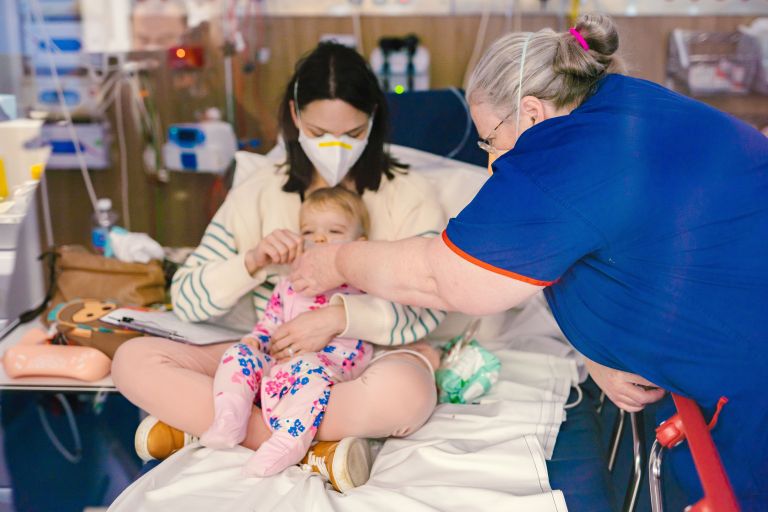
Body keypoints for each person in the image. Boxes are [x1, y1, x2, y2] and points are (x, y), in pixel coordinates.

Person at [290, 14, 768, 509]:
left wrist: (340, 261)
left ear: (533, 113)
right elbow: (607, 243)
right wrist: (595, 351)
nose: (492, 161)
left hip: (747, 379)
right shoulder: (626, 104)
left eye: (489, 140)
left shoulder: (559, 156)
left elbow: (444, 279)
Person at [111, 41, 445, 491]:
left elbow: (432, 299)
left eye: (351, 133)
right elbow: (187, 298)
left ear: (373, 121)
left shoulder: (409, 194)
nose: (334, 147)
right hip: (270, 354)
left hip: (361, 360)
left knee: (407, 395)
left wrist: (341, 317)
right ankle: (311, 446)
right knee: (132, 361)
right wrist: (250, 263)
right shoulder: (259, 192)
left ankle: (216, 426)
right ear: (294, 115)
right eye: (319, 130)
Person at [199, 187, 377, 479]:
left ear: (360, 245)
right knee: (238, 353)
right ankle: (229, 419)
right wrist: (256, 339)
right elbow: (271, 320)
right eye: (309, 232)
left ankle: (288, 442)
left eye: (334, 230)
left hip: (328, 364)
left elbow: (379, 316)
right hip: (281, 362)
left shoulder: (361, 284)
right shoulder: (289, 284)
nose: (319, 239)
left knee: (309, 368)